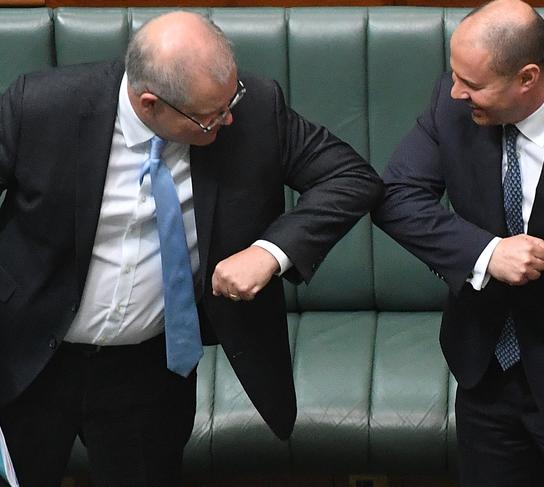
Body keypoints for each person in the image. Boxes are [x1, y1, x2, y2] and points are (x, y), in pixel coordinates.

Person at [0, 11, 383, 487]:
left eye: (231, 100)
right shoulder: (40, 106)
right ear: (149, 103)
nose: (228, 119)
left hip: (147, 371)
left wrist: (269, 250)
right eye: (209, 117)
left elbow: (351, 177)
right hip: (30, 356)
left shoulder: (255, 109)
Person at [372, 0, 544, 485]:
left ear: (526, 77)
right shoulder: (452, 104)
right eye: (453, 76)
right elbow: (395, 195)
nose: (456, 92)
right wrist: (486, 253)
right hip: (485, 373)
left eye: (472, 84)